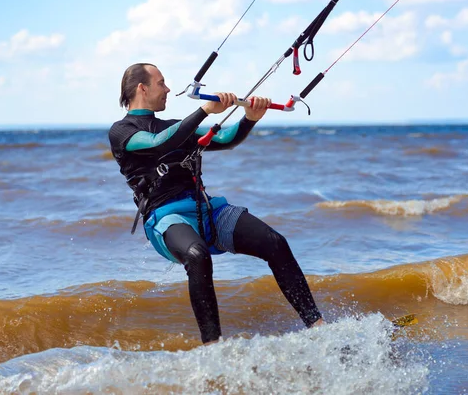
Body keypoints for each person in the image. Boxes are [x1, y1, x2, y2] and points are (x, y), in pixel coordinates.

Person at [108, 62, 323, 344]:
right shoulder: (122, 131)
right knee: (197, 255)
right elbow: (158, 143)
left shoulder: (176, 127)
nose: (168, 89)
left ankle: (318, 328)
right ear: (142, 88)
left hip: (208, 211)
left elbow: (223, 139)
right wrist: (203, 111)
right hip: (166, 219)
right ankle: (213, 346)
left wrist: (249, 118)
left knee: (275, 243)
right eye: (162, 83)